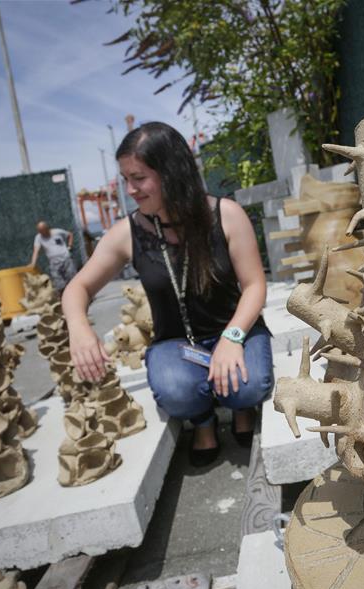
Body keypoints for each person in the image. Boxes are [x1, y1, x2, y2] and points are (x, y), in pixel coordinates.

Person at [62, 122, 272, 467]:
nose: (129, 189)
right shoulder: (129, 232)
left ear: (172, 173)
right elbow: (77, 288)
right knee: (177, 392)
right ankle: (202, 420)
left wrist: (232, 338)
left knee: (247, 386)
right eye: (125, 179)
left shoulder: (226, 215)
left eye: (139, 178)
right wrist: (79, 328)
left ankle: (241, 407)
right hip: (176, 343)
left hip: (236, 330)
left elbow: (254, 285)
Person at [29, 221, 77, 290]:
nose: (42, 233)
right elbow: (36, 251)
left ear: (47, 229)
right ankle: (64, 298)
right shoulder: (38, 237)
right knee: (59, 285)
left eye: (43, 231)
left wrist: (69, 246)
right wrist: (33, 263)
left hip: (66, 259)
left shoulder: (57, 232)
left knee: (73, 279)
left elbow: (70, 235)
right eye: (40, 231)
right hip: (54, 264)